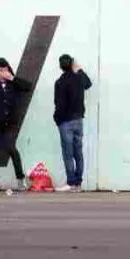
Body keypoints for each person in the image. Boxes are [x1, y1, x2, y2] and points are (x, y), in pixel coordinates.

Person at [0, 57, 32, 190]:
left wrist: (12, 78)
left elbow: (28, 87)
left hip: (10, 124)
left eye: (6, 69)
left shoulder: (13, 84)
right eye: (1, 70)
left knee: (12, 149)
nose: (3, 72)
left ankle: (20, 179)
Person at [52, 53, 93, 191]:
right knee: (78, 152)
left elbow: (58, 104)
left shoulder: (59, 82)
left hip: (65, 122)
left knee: (68, 153)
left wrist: (57, 120)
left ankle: (71, 182)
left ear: (60, 67)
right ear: (72, 64)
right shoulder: (79, 79)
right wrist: (79, 69)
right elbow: (89, 83)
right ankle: (78, 184)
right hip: (78, 120)